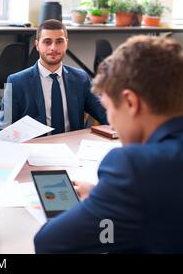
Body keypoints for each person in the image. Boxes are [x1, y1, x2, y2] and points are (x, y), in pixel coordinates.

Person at [34, 35, 183, 253]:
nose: (111, 121)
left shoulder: (134, 167)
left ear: (131, 103)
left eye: (110, 109)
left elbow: (49, 243)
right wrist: (110, 196)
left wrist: (97, 205)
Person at [0, 19, 107, 133]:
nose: (53, 48)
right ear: (37, 45)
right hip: (35, 147)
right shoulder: (16, 82)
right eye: (47, 42)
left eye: (59, 41)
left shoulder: (80, 79)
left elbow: (105, 114)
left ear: (66, 44)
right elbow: (5, 130)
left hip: (73, 146)